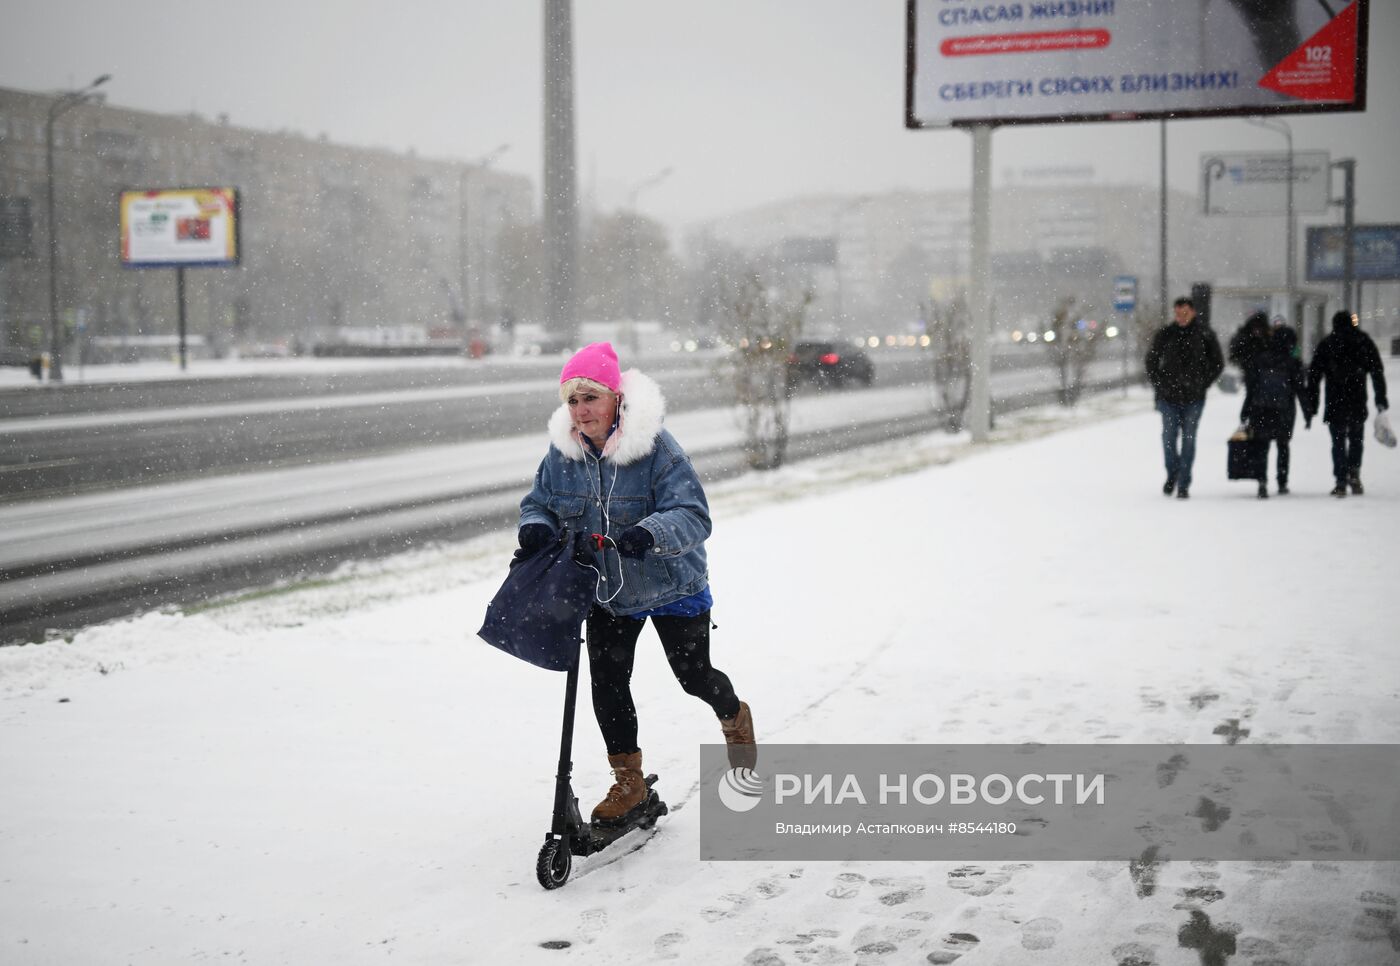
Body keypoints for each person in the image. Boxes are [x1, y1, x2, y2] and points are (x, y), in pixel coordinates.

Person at [518, 342, 756, 827]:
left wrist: (649, 533)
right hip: (607, 590)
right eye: (573, 401)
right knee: (606, 684)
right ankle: (628, 782)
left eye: (591, 398)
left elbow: (693, 515)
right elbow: (538, 501)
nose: (581, 411)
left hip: (673, 585)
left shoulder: (656, 449)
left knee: (694, 677)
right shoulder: (563, 453)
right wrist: (536, 526)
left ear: (616, 399)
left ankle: (734, 717)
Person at [1145, 296, 1225, 499]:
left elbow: (1217, 362)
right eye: (1177, 313)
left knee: (1189, 441)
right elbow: (1151, 359)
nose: (1180, 317)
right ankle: (1173, 473)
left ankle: (1183, 483)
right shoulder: (1166, 334)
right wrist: (1160, 383)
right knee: (1168, 439)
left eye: (1185, 313)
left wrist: (1202, 382)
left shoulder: (1204, 335)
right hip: (1168, 398)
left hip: (1194, 398)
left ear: (1193, 312)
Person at [1307, 311, 1389, 497]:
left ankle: (1340, 480)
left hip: (1335, 400)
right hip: (1357, 399)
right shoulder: (1363, 341)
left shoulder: (1328, 343)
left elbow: (1314, 375)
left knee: (1337, 442)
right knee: (1356, 439)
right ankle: (1354, 473)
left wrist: (1312, 403)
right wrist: (1380, 399)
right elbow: (1377, 371)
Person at [1239, 323, 1310, 498]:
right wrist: (1308, 412)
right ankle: (1282, 482)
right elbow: (1300, 389)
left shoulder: (1260, 359)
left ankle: (1262, 481)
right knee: (1283, 446)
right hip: (1284, 409)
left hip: (1261, 408)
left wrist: (1245, 410)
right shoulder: (1293, 363)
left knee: (1262, 446)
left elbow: (1252, 388)